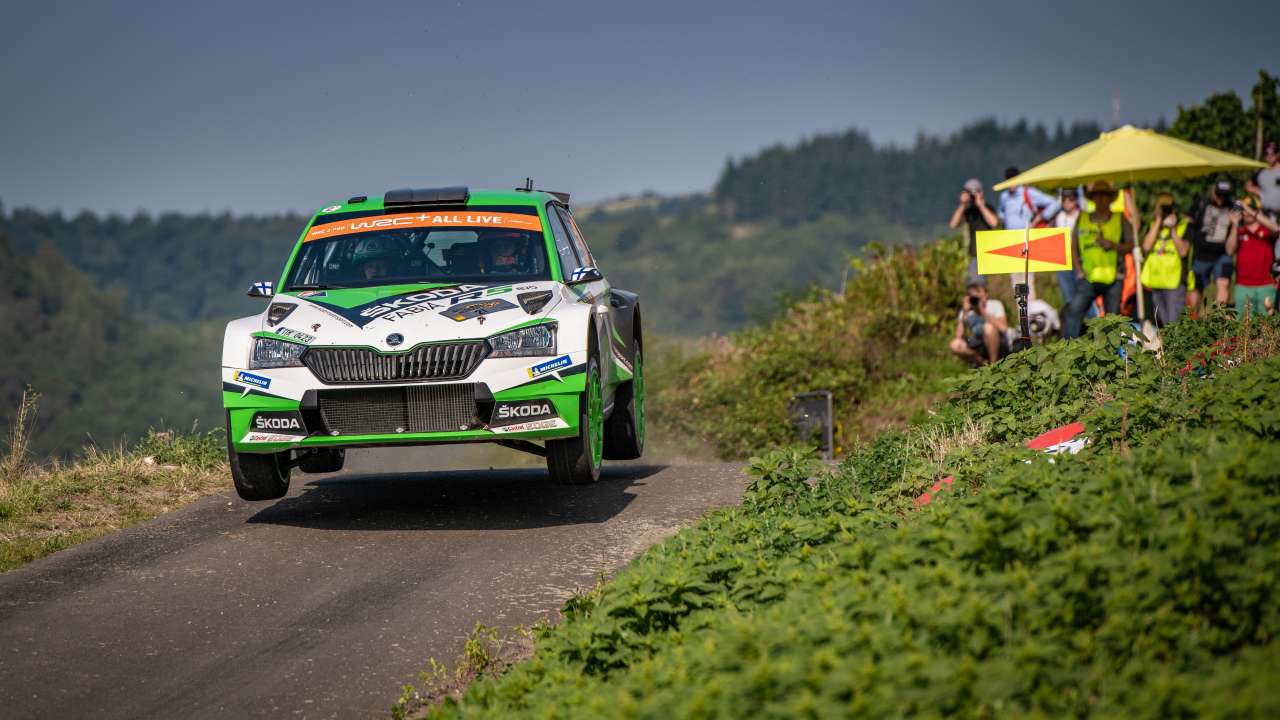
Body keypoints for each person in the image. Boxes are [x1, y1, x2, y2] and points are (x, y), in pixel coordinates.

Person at [1063, 181, 1133, 338]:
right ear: (1092, 198)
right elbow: (1073, 245)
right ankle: (1067, 350)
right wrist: (1079, 270)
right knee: (1073, 312)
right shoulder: (1082, 218)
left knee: (1112, 321)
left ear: (1110, 198)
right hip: (1088, 277)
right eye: (1097, 195)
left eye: (1104, 195)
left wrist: (1113, 245)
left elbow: (1131, 245)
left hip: (1114, 278)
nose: (1101, 199)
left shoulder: (1120, 218)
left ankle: (1112, 355)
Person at [1139, 198, 1190, 326]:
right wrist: (1158, 221)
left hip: (1174, 284)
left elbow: (1183, 251)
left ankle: (1174, 346)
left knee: (1173, 324)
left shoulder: (1183, 226)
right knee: (1163, 323)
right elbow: (1146, 246)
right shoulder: (1152, 226)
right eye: (1162, 208)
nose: (1165, 211)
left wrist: (1172, 229)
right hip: (1156, 282)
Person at [1186, 180, 1237, 308]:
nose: (1221, 199)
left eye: (1225, 196)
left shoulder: (1233, 207)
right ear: (1213, 192)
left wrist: (1235, 222)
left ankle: (1219, 320)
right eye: (1219, 195)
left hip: (1222, 254)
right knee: (1196, 288)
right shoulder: (1201, 203)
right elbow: (1188, 221)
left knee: (1224, 283)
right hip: (1200, 254)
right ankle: (1193, 322)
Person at [1228, 196, 1279, 319]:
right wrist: (1234, 225)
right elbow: (1229, 250)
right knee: (1242, 326)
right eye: (1244, 209)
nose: (1246, 212)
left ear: (1258, 211)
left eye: (1250, 209)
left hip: (1266, 285)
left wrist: (1252, 212)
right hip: (1243, 286)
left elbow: (1277, 229)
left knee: (1266, 325)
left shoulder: (1267, 229)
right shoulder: (1239, 231)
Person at [948, 178, 1000, 284]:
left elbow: (994, 223)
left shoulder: (988, 208)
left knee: (985, 286)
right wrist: (962, 204)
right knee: (975, 285)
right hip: (975, 254)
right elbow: (953, 225)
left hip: (991, 253)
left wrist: (981, 206)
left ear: (981, 193)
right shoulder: (969, 211)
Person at [949, 282, 1009, 366]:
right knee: (954, 344)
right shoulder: (966, 311)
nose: (976, 297)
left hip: (997, 342)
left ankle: (993, 365)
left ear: (986, 294)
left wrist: (982, 311)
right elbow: (959, 336)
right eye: (972, 295)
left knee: (988, 327)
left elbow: (1003, 328)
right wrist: (964, 314)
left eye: (978, 293)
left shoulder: (995, 304)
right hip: (976, 344)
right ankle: (979, 360)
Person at [1246, 140, 1280, 218]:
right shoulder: (1262, 172)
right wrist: (1261, 193)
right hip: (1266, 212)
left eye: (1273, 153)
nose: (1269, 156)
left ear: (1278, 154)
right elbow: (1248, 186)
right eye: (1266, 154)